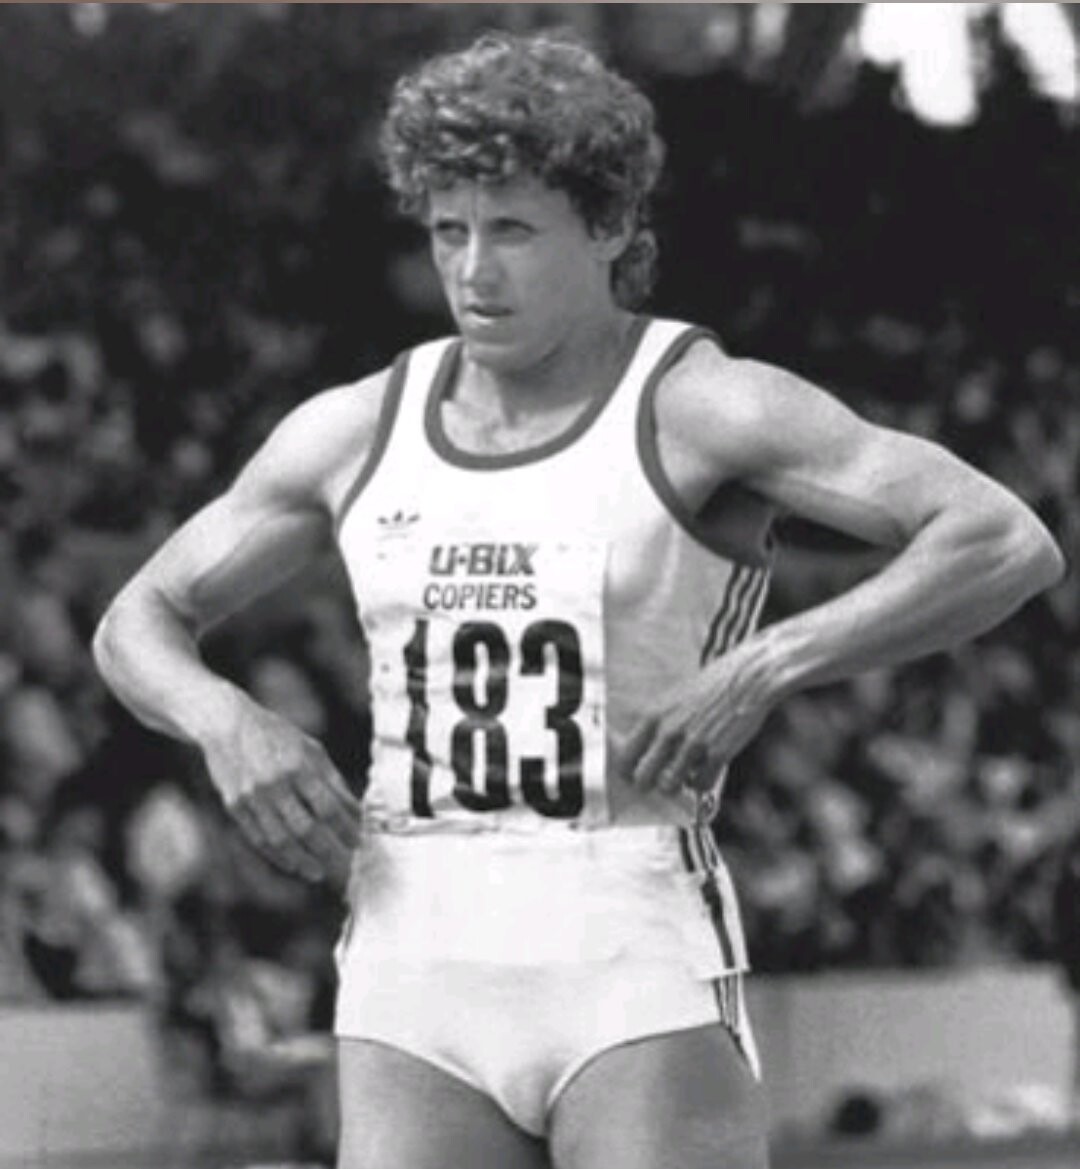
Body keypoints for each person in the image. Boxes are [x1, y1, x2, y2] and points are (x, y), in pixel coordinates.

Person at [93, 30, 1065, 1169]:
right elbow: (136, 619)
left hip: (625, 935)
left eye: (512, 230)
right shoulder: (355, 429)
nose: (473, 271)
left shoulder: (701, 407)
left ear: (608, 228)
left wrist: (767, 662)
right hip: (413, 936)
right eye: (448, 230)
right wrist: (226, 721)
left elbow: (1002, 537)